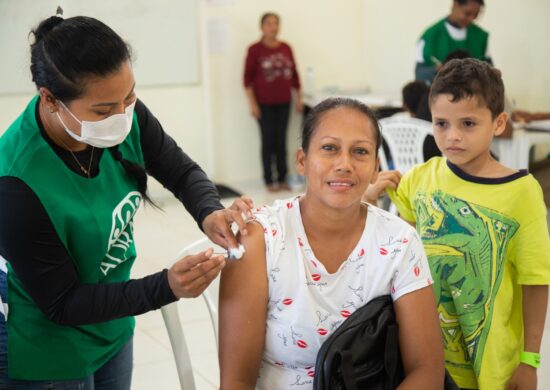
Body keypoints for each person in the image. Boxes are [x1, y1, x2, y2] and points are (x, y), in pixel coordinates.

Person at [0, 12, 253, 388]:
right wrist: (166, 287)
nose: (122, 116)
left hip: (112, 318)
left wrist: (210, 211)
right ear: (50, 99)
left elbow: (180, 171)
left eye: (130, 97)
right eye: (103, 110)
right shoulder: (16, 182)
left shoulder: (122, 113)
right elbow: (62, 303)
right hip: (46, 345)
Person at [218, 97, 445, 389]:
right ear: (301, 160)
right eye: (329, 148)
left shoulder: (400, 242)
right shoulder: (260, 239)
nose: (344, 164)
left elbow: (426, 369)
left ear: (376, 167)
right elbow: (236, 381)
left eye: (360, 152)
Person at [371, 58, 550, 389]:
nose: (452, 136)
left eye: (468, 123)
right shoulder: (419, 178)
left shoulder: (521, 192)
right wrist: (369, 197)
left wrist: (530, 360)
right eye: (441, 123)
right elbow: (398, 253)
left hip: (492, 365)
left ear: (498, 123)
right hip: (426, 358)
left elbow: (536, 281)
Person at [244, 12, 303, 192]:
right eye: (269, 24)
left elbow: (294, 76)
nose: (273, 27)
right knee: (268, 141)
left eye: (276, 23)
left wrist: (298, 98)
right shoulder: (254, 50)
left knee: (281, 141)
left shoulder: (286, 47)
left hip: (284, 102)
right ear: (262, 27)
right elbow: (247, 80)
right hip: (263, 104)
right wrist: (253, 104)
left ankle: (284, 178)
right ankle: (269, 180)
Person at [415, 0, 491, 83]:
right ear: (455, 4)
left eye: (475, 15)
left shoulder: (480, 36)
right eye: (467, 13)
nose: (471, 19)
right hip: (440, 92)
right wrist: (438, 69)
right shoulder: (430, 36)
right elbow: (419, 73)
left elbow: (490, 71)